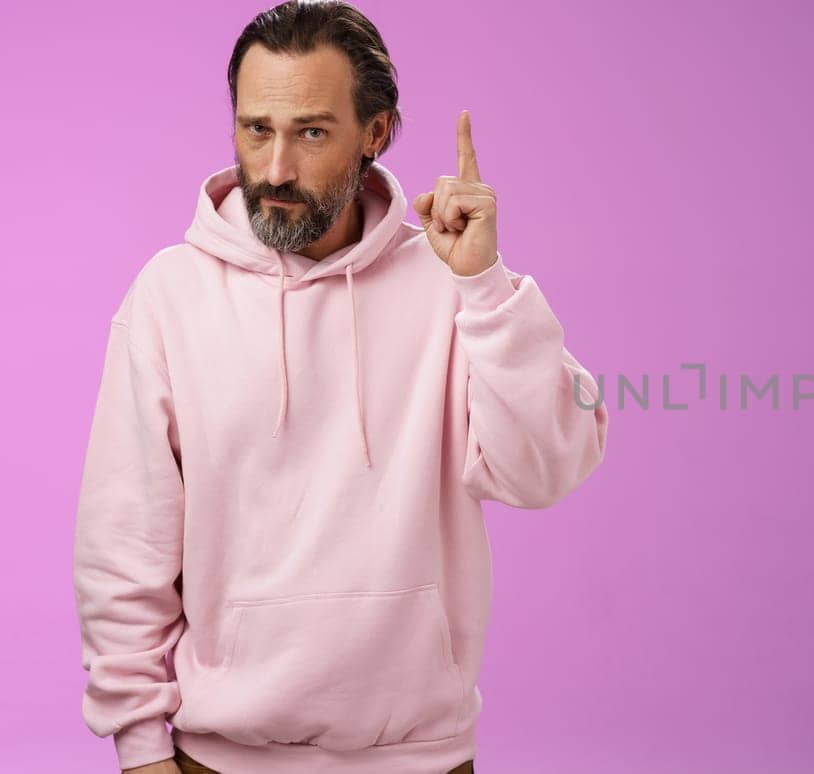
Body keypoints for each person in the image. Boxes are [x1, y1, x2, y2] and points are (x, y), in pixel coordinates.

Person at [71, 2, 610, 772]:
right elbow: (123, 543)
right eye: (257, 129)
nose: (277, 168)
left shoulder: (452, 285)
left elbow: (546, 468)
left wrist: (486, 288)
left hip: (422, 757)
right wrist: (141, 749)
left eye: (312, 132)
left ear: (377, 134)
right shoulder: (170, 295)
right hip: (214, 760)